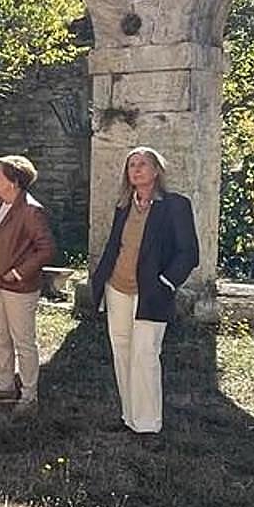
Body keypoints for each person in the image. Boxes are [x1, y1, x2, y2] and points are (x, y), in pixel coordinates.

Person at [91, 147, 199, 434]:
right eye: (131, 166)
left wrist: (167, 283)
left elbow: (188, 253)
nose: (136, 170)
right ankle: (130, 417)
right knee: (122, 352)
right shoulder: (123, 206)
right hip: (117, 289)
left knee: (146, 356)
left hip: (151, 292)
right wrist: (101, 280)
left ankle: (149, 425)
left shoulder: (176, 205)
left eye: (142, 164)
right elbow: (116, 246)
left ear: (156, 171)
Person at [0, 155, 56, 414]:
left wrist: (18, 273)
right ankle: (6, 387)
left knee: (23, 341)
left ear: (14, 181)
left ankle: (29, 396)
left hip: (19, 288)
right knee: (1, 336)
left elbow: (47, 249)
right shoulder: (1, 204)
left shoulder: (31, 210)